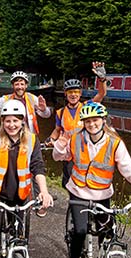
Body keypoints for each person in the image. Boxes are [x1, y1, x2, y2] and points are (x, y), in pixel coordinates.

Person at [51, 102, 131, 258]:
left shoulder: (115, 143)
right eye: (88, 121)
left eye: (96, 120)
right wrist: (60, 145)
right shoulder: (75, 138)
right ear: (83, 122)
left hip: (103, 194)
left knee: (106, 232)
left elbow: (129, 170)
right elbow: (59, 157)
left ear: (103, 120)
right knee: (80, 231)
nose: (92, 124)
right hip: (79, 192)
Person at [0, 99, 54, 258]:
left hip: (20, 195)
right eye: (7, 121)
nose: (11, 125)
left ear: (22, 121)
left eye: (15, 120)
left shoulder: (32, 140)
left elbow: (38, 167)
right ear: (2, 121)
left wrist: (44, 191)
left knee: (21, 235)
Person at [46, 62, 107, 190]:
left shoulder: (86, 107)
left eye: (76, 92)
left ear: (80, 94)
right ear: (66, 94)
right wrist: (51, 139)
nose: (73, 95)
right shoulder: (60, 112)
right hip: (68, 153)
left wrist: (102, 79)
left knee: (87, 182)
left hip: (86, 151)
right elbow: (57, 130)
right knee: (69, 183)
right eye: (70, 92)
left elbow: (101, 94)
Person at [0, 71, 51, 135]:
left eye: (22, 84)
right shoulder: (5, 99)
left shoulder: (32, 98)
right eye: (17, 84)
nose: (20, 87)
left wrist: (44, 110)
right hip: (11, 137)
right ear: (13, 85)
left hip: (29, 135)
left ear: (26, 85)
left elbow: (46, 115)